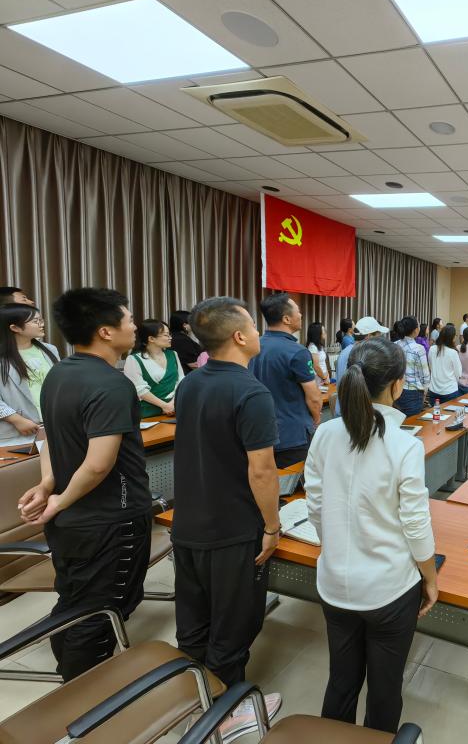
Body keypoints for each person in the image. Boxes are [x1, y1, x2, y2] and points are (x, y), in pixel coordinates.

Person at [17, 288, 151, 681]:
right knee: (101, 611)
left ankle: (72, 674)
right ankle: (83, 694)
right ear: (106, 331)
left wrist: (48, 486)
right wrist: (57, 499)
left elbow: (49, 438)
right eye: (129, 320)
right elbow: (97, 464)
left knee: (75, 597)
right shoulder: (111, 384)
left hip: (72, 522)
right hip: (110, 521)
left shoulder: (59, 372)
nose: (135, 326)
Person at [305, 339, 437, 732]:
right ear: (397, 385)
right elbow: (415, 523)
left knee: (341, 680)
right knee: (385, 689)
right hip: (388, 590)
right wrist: (430, 577)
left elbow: (316, 505)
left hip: (334, 584)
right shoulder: (404, 444)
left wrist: (337, 545)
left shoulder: (326, 433)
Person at [170, 297, 284, 738]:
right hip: (233, 529)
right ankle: (226, 714)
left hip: (189, 524)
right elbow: (262, 470)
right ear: (239, 336)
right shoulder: (251, 392)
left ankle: (194, 700)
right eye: (253, 326)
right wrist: (272, 526)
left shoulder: (190, 384)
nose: (258, 333)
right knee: (235, 624)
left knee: (194, 619)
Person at [249, 294, 320, 469]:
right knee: (294, 483)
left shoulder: (253, 346)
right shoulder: (297, 352)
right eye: (298, 311)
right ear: (286, 319)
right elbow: (313, 398)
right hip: (293, 435)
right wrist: (316, 419)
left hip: (259, 432)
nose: (301, 315)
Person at [0, 303, 59, 446]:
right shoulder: (2, 358)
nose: (41, 324)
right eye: (35, 321)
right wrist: (16, 419)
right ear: (15, 328)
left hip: (54, 426)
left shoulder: (50, 350)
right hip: (16, 433)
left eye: (41, 320)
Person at [124, 319, 184, 418]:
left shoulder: (173, 354)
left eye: (169, 334)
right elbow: (139, 389)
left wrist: (172, 404)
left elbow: (181, 380)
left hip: (174, 408)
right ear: (151, 338)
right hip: (148, 413)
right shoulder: (134, 359)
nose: (170, 338)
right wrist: (165, 406)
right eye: (166, 335)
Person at [394, 316, 429, 418]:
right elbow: (425, 375)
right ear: (415, 330)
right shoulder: (419, 349)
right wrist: (425, 392)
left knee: (399, 421)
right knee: (412, 423)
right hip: (413, 393)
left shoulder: (395, 345)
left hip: (396, 390)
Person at [427, 323, 462, 404]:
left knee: (434, 412)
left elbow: (430, 367)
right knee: (449, 412)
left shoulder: (432, 349)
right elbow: (458, 373)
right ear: (452, 337)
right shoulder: (453, 352)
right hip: (450, 390)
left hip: (434, 389)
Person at [169, 309, 202, 374]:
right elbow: (193, 365)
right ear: (184, 325)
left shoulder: (173, 336)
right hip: (189, 375)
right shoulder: (182, 340)